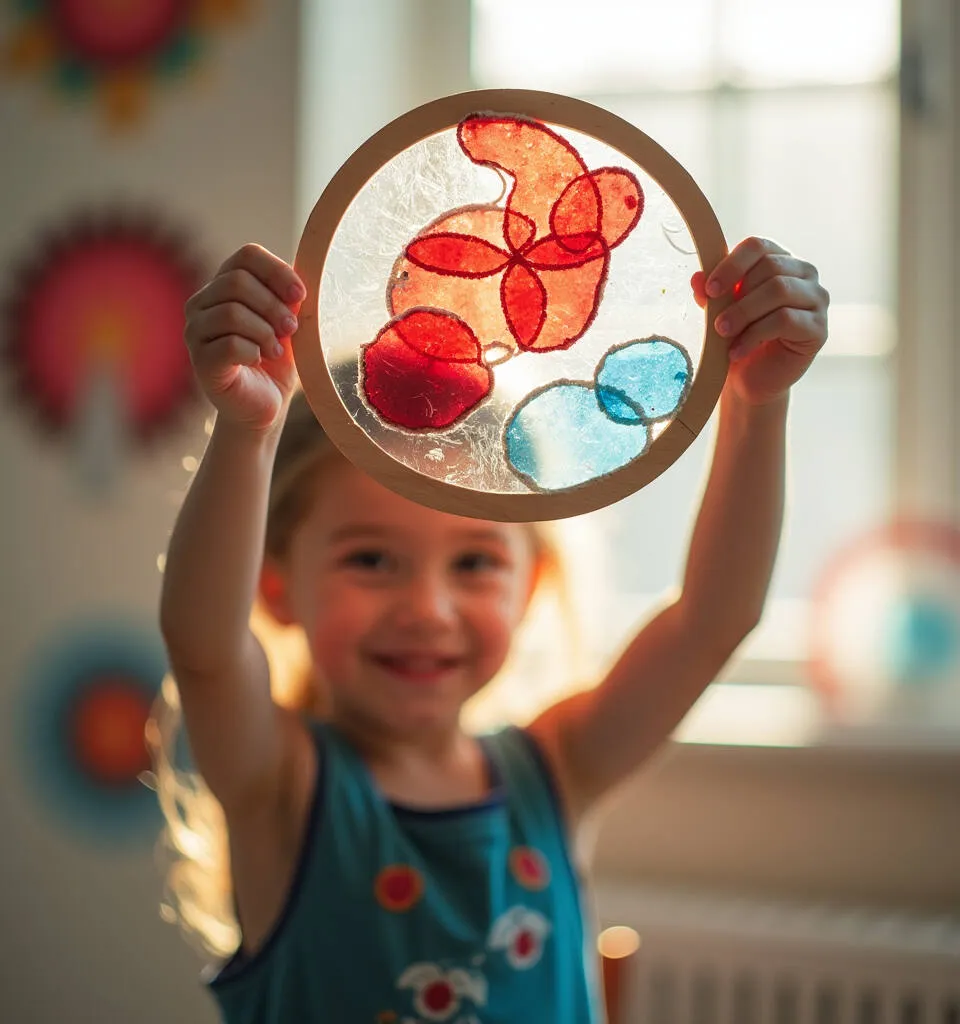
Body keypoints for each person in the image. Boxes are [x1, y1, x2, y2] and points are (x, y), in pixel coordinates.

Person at [156, 237, 828, 1023]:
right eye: (371, 559)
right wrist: (246, 432)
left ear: (530, 586)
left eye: (474, 563)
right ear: (275, 585)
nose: (428, 609)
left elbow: (715, 620)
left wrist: (759, 401)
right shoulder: (282, 788)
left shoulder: (557, 771)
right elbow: (203, 650)